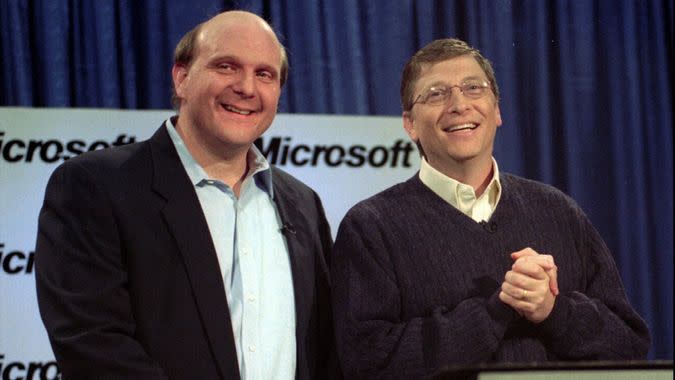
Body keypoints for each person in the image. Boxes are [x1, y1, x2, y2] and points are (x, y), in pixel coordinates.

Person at [35, 10, 337, 380]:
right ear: (181, 78)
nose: (246, 87)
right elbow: (91, 344)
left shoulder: (303, 204)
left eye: (264, 74)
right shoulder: (95, 186)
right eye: (226, 66)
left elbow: (323, 348)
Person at [330, 38, 650, 379]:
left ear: (496, 110)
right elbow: (367, 364)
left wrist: (553, 310)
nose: (459, 105)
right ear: (410, 123)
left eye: (473, 88)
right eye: (436, 93)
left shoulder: (558, 210)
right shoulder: (371, 227)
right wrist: (496, 310)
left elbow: (630, 345)